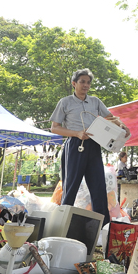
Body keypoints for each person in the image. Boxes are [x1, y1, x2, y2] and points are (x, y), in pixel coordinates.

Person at [50, 68, 129, 227]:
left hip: (93, 146)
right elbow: (54, 128)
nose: (86, 85)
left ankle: (104, 230)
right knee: (70, 187)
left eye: (88, 82)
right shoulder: (65, 102)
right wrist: (76, 133)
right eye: (82, 82)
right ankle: (63, 227)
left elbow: (110, 118)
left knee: (98, 187)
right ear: (74, 83)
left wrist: (122, 126)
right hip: (74, 146)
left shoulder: (95, 101)